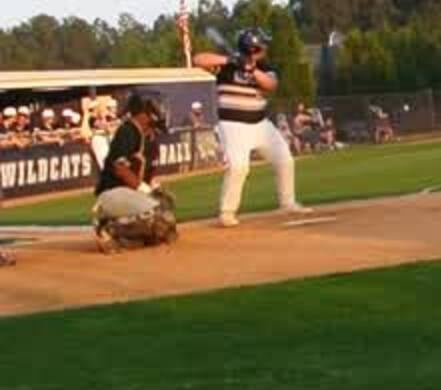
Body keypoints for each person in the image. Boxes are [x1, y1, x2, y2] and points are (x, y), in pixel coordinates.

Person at [185, 20, 310, 227]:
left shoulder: (264, 66)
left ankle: (288, 202)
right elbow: (198, 59)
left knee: (284, 159)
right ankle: (227, 212)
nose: (265, 49)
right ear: (254, 48)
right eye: (262, 46)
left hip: (260, 125)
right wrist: (230, 60)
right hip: (233, 126)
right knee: (239, 167)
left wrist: (251, 70)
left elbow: (270, 84)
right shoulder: (225, 67)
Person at [91, 91, 180, 253]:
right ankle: (108, 229)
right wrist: (146, 191)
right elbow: (120, 168)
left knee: (164, 226)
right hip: (113, 193)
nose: (160, 111)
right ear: (142, 112)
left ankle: (127, 237)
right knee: (154, 215)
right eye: (154, 108)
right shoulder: (128, 131)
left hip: (130, 194)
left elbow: (145, 174)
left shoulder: (150, 137)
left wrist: (154, 188)